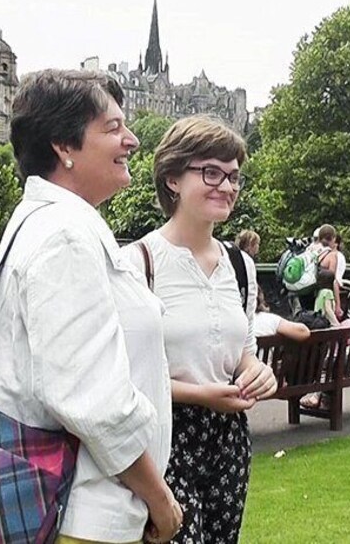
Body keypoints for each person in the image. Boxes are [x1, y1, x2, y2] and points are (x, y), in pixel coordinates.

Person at [0, 69, 182, 544]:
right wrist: (159, 499)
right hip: (84, 516)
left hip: (79, 511)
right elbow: (92, 398)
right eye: (113, 128)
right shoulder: (64, 237)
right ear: (63, 146)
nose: (132, 140)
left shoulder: (56, 224)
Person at [124, 115, 277, 544]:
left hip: (228, 438)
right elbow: (125, 378)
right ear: (173, 178)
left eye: (233, 176)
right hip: (165, 437)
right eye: (211, 172)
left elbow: (243, 347)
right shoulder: (139, 264)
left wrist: (257, 372)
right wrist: (200, 394)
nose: (226, 186)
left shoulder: (240, 266)